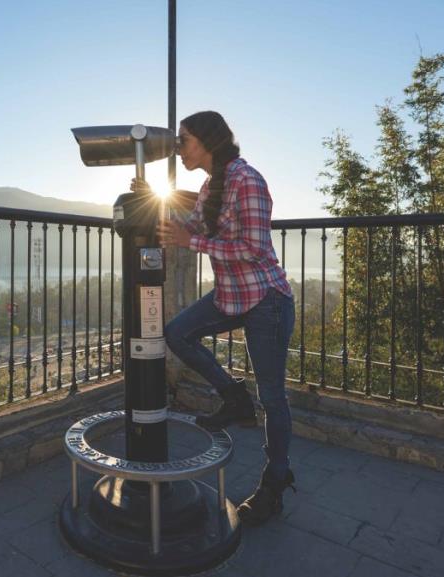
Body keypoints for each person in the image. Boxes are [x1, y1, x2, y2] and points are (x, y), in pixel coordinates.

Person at [134, 110, 295, 526]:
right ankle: (233, 396)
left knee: (273, 398)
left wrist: (195, 242)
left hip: (265, 300)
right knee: (178, 334)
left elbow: (255, 248)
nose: (178, 149)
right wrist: (150, 198)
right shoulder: (210, 185)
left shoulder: (248, 179)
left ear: (206, 140)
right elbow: (192, 223)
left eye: (182, 140)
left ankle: (275, 483)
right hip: (231, 296)